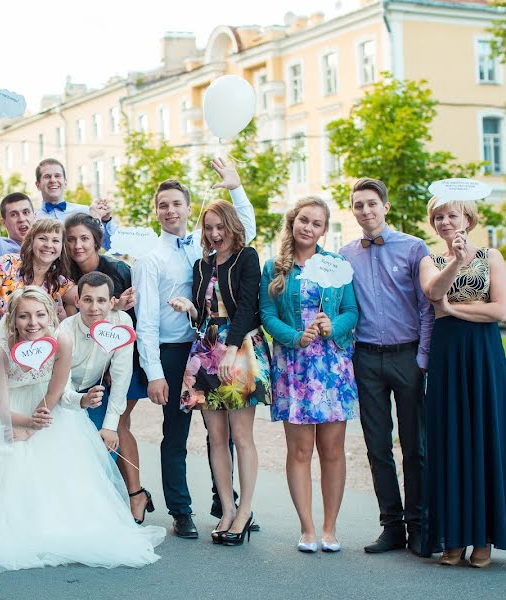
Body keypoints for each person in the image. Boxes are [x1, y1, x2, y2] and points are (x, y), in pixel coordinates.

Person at [0, 286, 165, 571]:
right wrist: (24, 424)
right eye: (24, 316)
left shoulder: (61, 340)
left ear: (50, 316)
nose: (33, 323)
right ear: (13, 319)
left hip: (46, 408)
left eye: (40, 315)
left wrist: (38, 421)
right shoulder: (0, 352)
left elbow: (56, 388)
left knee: (61, 473)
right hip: (8, 412)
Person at [133, 158, 255, 539]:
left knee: (222, 431)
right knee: (176, 432)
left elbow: (242, 232)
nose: (170, 211)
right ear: (157, 212)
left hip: (212, 347)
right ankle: (180, 509)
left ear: (189, 208)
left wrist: (235, 187)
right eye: (162, 205)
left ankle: (227, 503)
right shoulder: (150, 259)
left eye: (176, 203)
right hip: (172, 353)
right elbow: (147, 321)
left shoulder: (207, 250)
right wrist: (153, 372)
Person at [418, 197, 506, 567]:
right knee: (449, 440)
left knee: (485, 437)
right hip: (447, 355)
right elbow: (433, 293)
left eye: (452, 214)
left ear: (468, 218)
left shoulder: (492, 257)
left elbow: (501, 310)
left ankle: (484, 538)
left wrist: (452, 310)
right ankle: (453, 537)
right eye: (438, 217)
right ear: (434, 225)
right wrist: (458, 262)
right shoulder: (429, 261)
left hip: (483, 354)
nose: (445, 221)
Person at [339, 178, 433, 555]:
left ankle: (420, 526)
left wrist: (422, 358)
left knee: (416, 446)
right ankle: (391, 526)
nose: (366, 211)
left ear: (386, 206)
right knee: (377, 447)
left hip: (407, 355)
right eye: (359, 205)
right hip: (366, 359)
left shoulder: (414, 248)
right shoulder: (344, 255)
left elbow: (427, 307)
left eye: (372, 203)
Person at [259, 196, 359, 553]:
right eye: (304, 220)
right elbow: (266, 314)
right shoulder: (275, 267)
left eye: (316, 224)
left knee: (332, 449)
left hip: (331, 368)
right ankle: (307, 528)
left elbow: (351, 310)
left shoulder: (336, 265)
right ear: (293, 221)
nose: (309, 228)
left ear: (323, 229)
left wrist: (332, 326)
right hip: (294, 367)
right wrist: (293, 336)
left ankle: (331, 528)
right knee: (299, 451)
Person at [169, 199, 270, 546]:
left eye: (220, 226)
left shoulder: (247, 257)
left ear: (232, 225)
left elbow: (246, 307)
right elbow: (206, 315)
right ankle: (226, 509)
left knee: (241, 436)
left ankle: (244, 511)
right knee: (214, 436)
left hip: (238, 348)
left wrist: (230, 348)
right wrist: (191, 309)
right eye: (208, 228)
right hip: (207, 348)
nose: (214, 234)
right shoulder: (202, 264)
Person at [64, 213, 153, 523]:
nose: (77, 245)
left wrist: (116, 314)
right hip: (74, 375)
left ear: (97, 241)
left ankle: (133, 493)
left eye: (84, 238)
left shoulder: (117, 270)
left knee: (116, 425)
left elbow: (135, 318)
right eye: (71, 239)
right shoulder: (67, 275)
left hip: (118, 359)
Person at [0, 218, 76, 386]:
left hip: (17, 357)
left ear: (62, 248)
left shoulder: (59, 282)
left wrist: (118, 302)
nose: (49, 245)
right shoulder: (8, 263)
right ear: (31, 242)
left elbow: (86, 298)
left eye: (55, 240)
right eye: (42, 238)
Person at [58, 271, 132, 456]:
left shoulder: (121, 323)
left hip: (95, 388)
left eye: (101, 300)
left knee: (106, 448)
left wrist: (110, 426)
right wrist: (81, 401)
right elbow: (61, 385)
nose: (94, 307)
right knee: (66, 449)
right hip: (61, 394)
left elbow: (121, 375)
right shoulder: (65, 330)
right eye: (88, 300)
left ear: (112, 303)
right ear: (77, 301)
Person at [33, 157, 116, 250]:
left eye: (57, 176)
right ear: (38, 185)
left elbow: (114, 249)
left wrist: (106, 220)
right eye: (47, 176)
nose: (53, 180)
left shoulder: (87, 212)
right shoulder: (32, 219)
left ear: (65, 182)